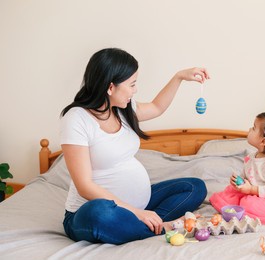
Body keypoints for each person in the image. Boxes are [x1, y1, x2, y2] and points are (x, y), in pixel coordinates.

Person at [60, 48, 209, 244]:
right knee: (100, 213)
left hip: (138, 205)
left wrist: (179, 77)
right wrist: (137, 213)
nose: (135, 90)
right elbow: (84, 186)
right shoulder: (76, 119)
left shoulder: (122, 108)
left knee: (194, 187)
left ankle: (147, 223)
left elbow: (157, 107)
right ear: (110, 88)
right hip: (91, 213)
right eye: (132, 84)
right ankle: (162, 227)